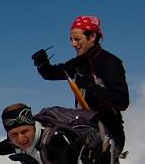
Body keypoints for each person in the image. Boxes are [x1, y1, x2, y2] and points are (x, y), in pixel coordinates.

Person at [31, 15, 129, 150]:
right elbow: (51, 74)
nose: (73, 44)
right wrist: (42, 63)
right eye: (71, 39)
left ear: (92, 37)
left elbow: (122, 101)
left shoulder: (110, 63)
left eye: (77, 39)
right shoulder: (79, 63)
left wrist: (90, 86)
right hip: (84, 125)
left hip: (109, 130)